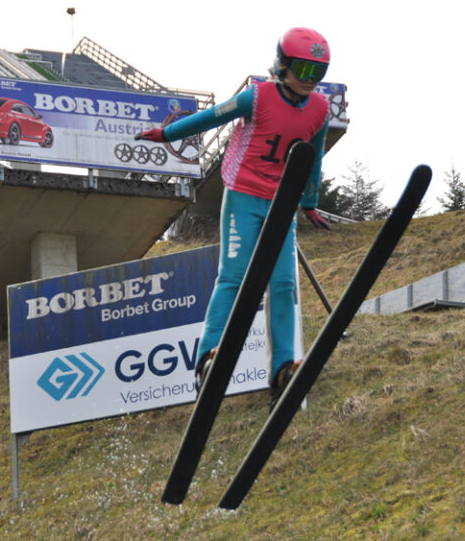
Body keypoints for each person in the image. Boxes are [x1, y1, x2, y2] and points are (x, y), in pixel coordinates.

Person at [136, 27, 333, 410]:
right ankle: (209, 354)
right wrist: (168, 133)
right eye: (303, 71)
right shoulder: (257, 97)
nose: (309, 82)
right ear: (282, 65)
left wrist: (309, 201)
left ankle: (282, 369)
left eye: (318, 74)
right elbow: (211, 117)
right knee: (235, 275)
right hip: (244, 193)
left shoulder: (320, 109)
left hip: (282, 201)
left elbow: (316, 153)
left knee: (283, 283)